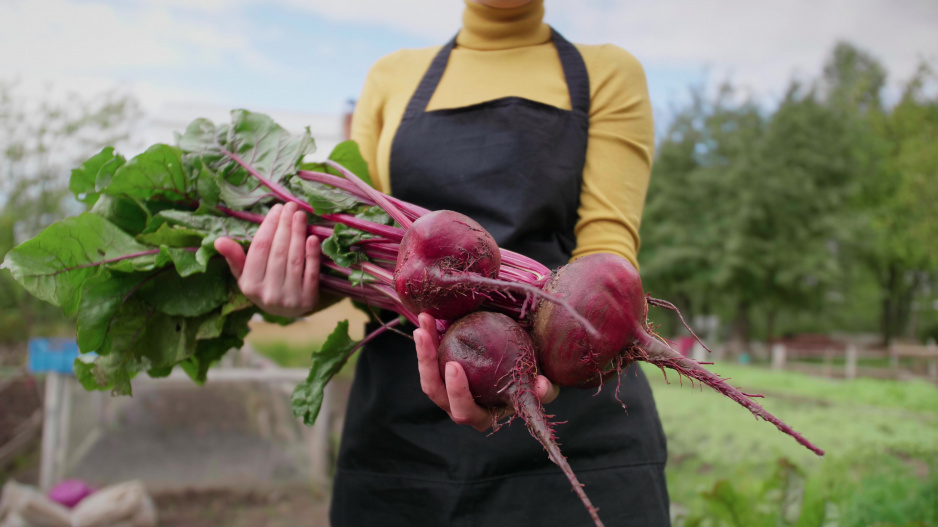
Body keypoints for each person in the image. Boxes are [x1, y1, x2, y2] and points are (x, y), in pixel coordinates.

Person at [215, 0, 670, 524]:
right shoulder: (391, 76)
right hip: (402, 435)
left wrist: (545, 354)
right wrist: (293, 293)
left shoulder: (608, 71)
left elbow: (606, 250)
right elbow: (351, 242)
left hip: (575, 400)